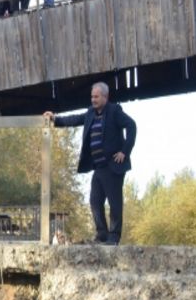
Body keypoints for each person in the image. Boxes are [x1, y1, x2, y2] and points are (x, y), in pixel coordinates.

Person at [44, 82, 137, 245]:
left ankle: (114, 236)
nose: (93, 100)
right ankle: (102, 234)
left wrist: (124, 151)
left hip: (112, 166)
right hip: (99, 168)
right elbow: (74, 119)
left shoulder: (114, 111)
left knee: (114, 202)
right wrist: (55, 119)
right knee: (94, 201)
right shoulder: (90, 113)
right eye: (92, 96)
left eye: (96, 96)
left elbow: (131, 125)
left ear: (105, 97)